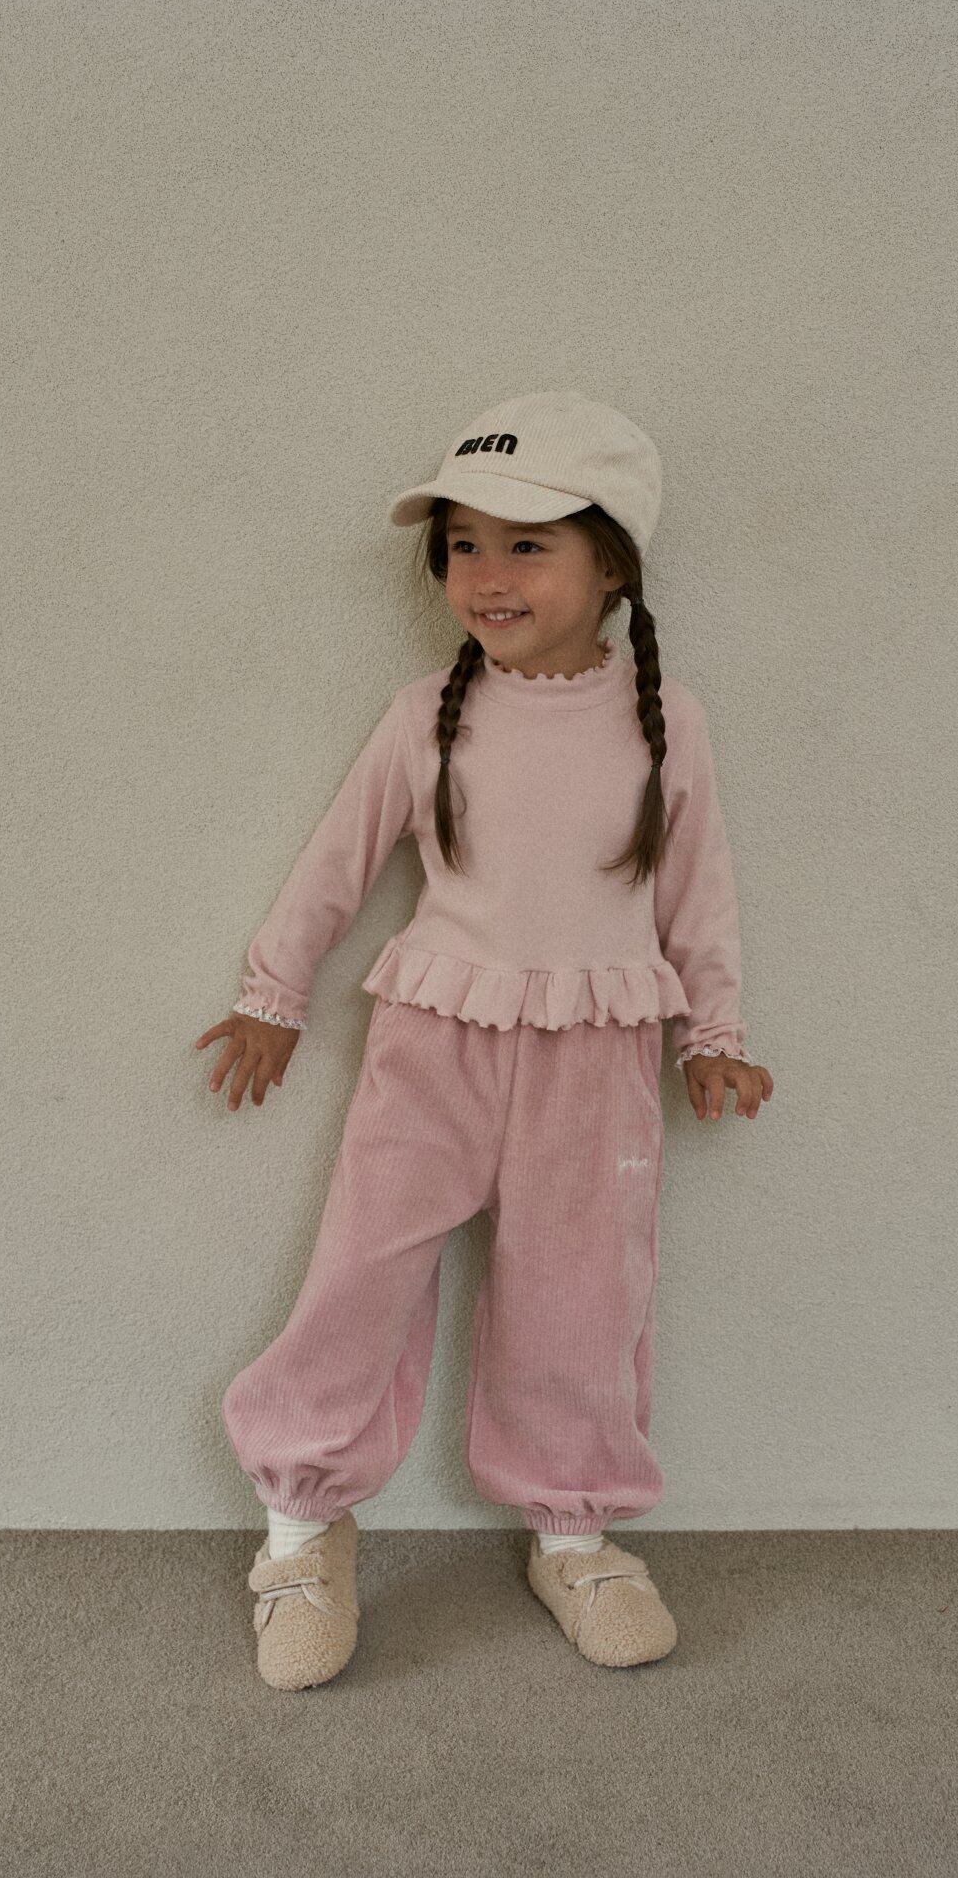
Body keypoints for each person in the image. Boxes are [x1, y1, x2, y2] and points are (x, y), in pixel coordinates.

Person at [195, 388, 774, 1687]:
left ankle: (574, 1532)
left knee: (584, 1294)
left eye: (526, 545)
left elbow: (700, 893)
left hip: (598, 1054)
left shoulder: (667, 723)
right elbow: (337, 866)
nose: (487, 575)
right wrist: (273, 995)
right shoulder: (427, 717)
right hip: (434, 1042)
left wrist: (715, 1033)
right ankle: (302, 1524)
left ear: (611, 564)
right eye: (463, 545)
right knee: (364, 1272)